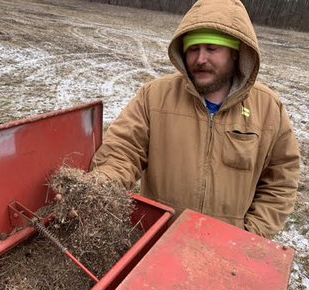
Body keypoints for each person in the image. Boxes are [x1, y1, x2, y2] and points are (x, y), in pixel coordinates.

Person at [90, 0, 300, 239]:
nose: (200, 59)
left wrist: (250, 236)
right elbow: (123, 150)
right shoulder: (154, 96)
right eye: (193, 48)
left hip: (226, 250)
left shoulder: (268, 108)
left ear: (235, 53)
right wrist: (101, 185)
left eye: (212, 48)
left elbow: (280, 181)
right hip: (156, 242)